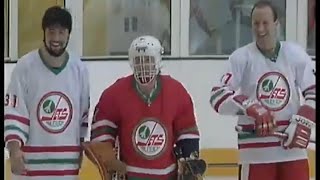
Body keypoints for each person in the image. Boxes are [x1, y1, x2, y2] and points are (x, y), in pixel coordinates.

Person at [209, 1, 315, 180]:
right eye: (256, 23)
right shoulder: (241, 57)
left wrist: (302, 121)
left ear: (276, 23)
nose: (260, 29)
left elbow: (313, 91)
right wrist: (250, 106)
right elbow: (217, 96)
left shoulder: (295, 54)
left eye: (265, 23)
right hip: (255, 156)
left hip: (293, 153)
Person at [88, 35, 205, 179]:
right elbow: (101, 132)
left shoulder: (176, 91)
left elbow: (187, 131)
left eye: (148, 60)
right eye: (138, 61)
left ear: (158, 60)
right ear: (132, 63)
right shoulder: (115, 94)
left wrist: (189, 159)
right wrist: (109, 160)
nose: (143, 66)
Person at [4, 6, 90, 180]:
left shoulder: (79, 69)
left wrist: (81, 147)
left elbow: (82, 115)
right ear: (44, 33)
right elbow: (13, 111)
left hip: (67, 166)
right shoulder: (25, 66)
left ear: (68, 34)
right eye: (51, 32)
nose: (56, 38)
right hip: (29, 166)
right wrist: (14, 150)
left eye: (61, 32)